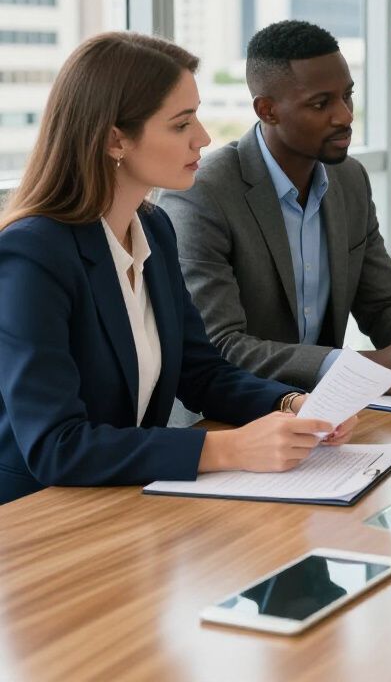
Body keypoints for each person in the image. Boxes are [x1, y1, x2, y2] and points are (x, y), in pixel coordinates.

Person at [0, 33, 354, 506]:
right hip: (42, 519)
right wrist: (229, 448)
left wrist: (289, 404)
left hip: (125, 502)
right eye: (181, 123)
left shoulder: (153, 227)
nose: (203, 137)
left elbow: (198, 369)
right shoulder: (33, 254)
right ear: (114, 139)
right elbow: (57, 446)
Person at [161, 20, 391, 394]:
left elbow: (384, 302)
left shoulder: (349, 179)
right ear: (267, 110)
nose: (345, 116)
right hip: (228, 419)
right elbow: (220, 346)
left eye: (347, 96)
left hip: (327, 415)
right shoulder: (203, 194)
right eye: (321, 104)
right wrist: (364, 368)